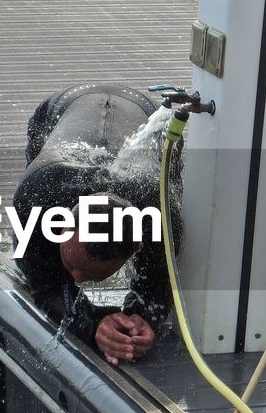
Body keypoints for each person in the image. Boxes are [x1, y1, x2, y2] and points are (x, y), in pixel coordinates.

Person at [11, 84, 177, 365]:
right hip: (62, 106)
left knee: (167, 202)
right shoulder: (37, 191)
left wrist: (143, 320)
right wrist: (92, 326)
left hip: (145, 112)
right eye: (74, 264)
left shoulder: (154, 209)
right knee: (34, 253)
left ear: (137, 246)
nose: (75, 278)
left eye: (86, 271)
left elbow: (161, 283)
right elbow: (44, 286)